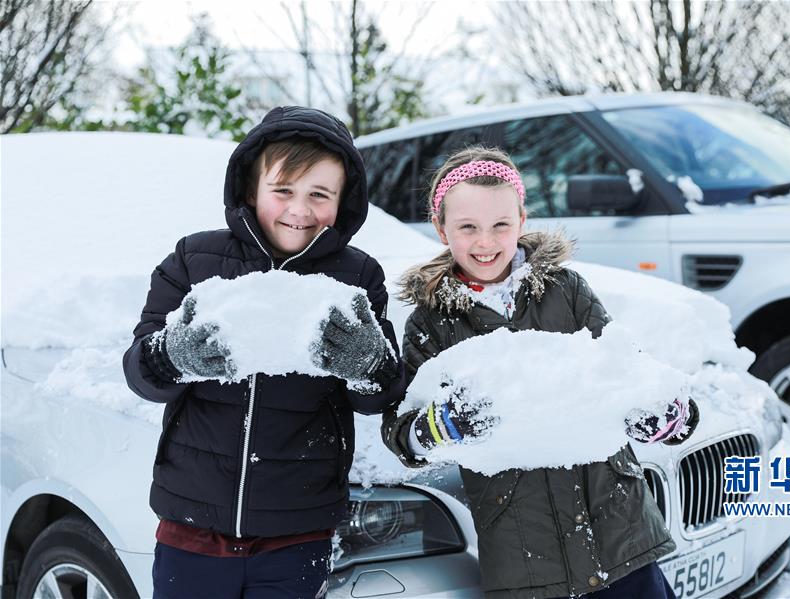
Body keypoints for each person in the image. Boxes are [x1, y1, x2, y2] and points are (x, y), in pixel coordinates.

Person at [381, 146, 698, 598]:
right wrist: (441, 424)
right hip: (526, 554)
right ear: (440, 227)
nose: (486, 242)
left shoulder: (565, 291)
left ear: (522, 221)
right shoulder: (431, 322)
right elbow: (401, 432)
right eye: (467, 227)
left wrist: (666, 415)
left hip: (618, 532)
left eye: (500, 225)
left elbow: (629, 371)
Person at [123, 106, 405, 599]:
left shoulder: (357, 276)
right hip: (192, 520)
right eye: (283, 191)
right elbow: (140, 372)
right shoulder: (195, 259)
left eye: (319, 195)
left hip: (298, 528)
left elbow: (379, 395)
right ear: (251, 190)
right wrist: (172, 356)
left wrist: (369, 365)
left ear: (343, 202)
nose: (300, 210)